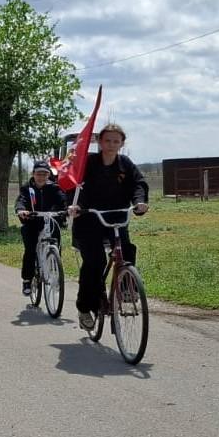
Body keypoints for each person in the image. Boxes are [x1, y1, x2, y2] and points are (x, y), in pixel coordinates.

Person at [66, 123, 149, 330]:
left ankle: (127, 286)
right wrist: (76, 205)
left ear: (122, 143)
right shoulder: (88, 162)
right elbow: (74, 184)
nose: (111, 144)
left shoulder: (125, 164)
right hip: (89, 218)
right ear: (100, 142)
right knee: (94, 263)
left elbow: (139, 184)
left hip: (117, 216)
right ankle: (85, 307)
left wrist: (139, 203)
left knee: (126, 249)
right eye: (107, 140)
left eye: (116, 141)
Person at [15, 161, 67, 296]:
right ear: (33, 174)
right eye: (39, 174)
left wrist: (67, 209)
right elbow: (21, 200)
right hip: (32, 222)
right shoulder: (27, 188)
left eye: (44, 174)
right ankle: (27, 279)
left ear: (48, 175)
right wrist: (21, 210)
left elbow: (62, 200)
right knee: (30, 250)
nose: (41, 177)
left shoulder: (54, 188)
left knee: (56, 242)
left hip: (50, 222)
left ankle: (55, 270)